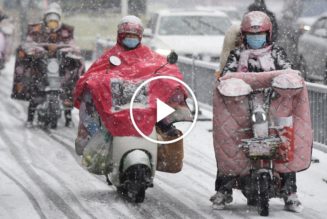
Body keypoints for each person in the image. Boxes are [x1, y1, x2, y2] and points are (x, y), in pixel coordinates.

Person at [210, 11, 303, 213]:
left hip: (273, 105)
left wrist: (285, 82)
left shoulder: (276, 52)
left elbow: (289, 72)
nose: (255, 39)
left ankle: (290, 192)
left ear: (268, 34)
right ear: (243, 35)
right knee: (230, 144)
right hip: (243, 107)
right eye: (251, 35)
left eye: (260, 34)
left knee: (284, 143)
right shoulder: (237, 54)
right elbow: (226, 76)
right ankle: (223, 189)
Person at [74, 15, 183, 156]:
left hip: (143, 99)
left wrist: (167, 81)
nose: (131, 39)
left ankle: (165, 125)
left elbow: (163, 68)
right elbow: (95, 74)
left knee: (165, 91)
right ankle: (93, 134)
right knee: (90, 95)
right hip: (116, 100)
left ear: (140, 36)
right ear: (120, 36)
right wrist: (97, 83)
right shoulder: (110, 56)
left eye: (134, 36)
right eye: (127, 35)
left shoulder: (148, 55)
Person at [12, 3, 83, 128]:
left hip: (61, 66)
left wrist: (69, 51)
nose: (52, 23)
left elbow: (72, 45)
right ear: (45, 19)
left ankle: (68, 117)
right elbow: (28, 43)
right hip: (41, 65)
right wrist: (36, 51)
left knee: (69, 85)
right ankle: (30, 118)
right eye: (50, 20)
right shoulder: (36, 29)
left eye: (55, 21)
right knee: (35, 87)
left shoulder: (66, 30)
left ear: (59, 20)